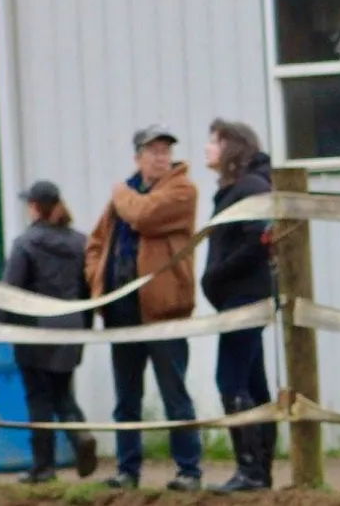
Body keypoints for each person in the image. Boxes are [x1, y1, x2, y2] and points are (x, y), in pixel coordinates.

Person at [85, 125, 203, 490]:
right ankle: (127, 471)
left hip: (164, 311)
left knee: (174, 395)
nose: (161, 157)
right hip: (122, 312)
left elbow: (144, 215)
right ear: (138, 157)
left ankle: (189, 471)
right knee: (126, 398)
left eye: (165, 150)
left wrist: (120, 191)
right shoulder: (124, 197)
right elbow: (95, 242)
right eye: (153, 151)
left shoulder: (182, 190)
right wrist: (96, 276)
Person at [0, 180, 97, 484]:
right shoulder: (80, 242)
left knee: (38, 397)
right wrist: (85, 327)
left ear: (33, 208)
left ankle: (43, 467)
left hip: (36, 329)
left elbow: (10, 292)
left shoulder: (25, 243)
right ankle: (80, 435)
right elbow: (88, 290)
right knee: (62, 392)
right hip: (71, 325)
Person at [199, 119, 276, 492]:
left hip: (245, 297)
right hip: (236, 297)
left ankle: (251, 471)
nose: (208, 147)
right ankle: (260, 472)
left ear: (232, 148)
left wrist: (216, 275)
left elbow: (255, 243)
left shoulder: (251, 187)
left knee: (230, 380)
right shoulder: (235, 189)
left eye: (214, 141)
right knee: (252, 382)